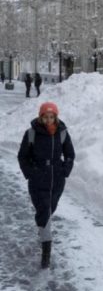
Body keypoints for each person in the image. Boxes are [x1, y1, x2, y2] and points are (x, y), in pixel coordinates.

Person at [17, 102, 76, 269]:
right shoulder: (31, 134)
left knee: (49, 210)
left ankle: (43, 230)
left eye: (52, 117)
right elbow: (22, 156)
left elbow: (70, 154)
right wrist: (30, 173)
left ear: (55, 117)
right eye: (45, 116)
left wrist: (65, 170)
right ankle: (46, 254)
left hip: (57, 179)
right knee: (44, 212)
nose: (49, 120)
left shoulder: (63, 133)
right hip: (38, 179)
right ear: (40, 116)